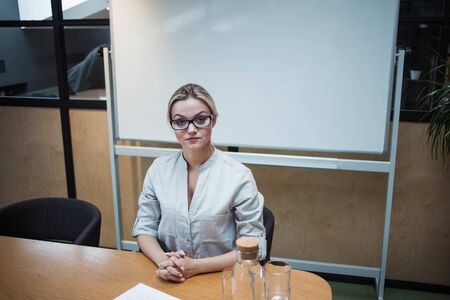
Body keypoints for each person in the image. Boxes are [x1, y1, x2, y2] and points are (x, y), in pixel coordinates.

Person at [132, 83, 266, 282]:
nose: (191, 129)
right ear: (172, 125)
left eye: (201, 119)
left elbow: (254, 247)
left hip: (220, 278)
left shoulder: (239, 176)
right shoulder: (158, 170)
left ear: (214, 120)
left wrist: (194, 267)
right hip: (169, 276)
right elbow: (144, 228)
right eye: (180, 122)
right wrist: (165, 263)